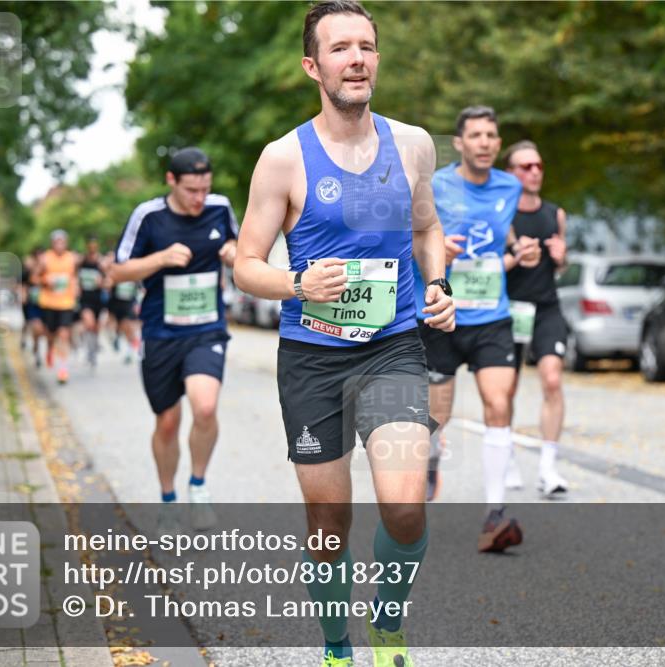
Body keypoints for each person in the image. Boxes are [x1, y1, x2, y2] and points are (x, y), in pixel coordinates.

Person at [233, 2, 454, 665]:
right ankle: (337, 647)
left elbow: (426, 229)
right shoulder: (282, 159)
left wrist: (439, 285)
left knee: (405, 504)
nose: (356, 58)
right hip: (312, 360)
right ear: (313, 65)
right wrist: (298, 284)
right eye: (340, 48)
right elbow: (245, 264)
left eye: (367, 46)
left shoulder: (412, 144)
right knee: (329, 524)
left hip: (392, 349)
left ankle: (387, 622)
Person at [413, 106, 539, 553]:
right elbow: (415, 233)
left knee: (498, 401)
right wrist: (436, 247)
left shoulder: (510, 186)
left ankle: (494, 512)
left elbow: (504, 233)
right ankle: (428, 465)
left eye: (492, 135)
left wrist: (521, 249)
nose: (485, 142)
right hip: (443, 315)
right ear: (461, 143)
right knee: (434, 419)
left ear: (498, 144)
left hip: (492, 319)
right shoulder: (438, 185)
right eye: (476, 135)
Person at [109, 147, 238, 531]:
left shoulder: (219, 208)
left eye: (205, 188)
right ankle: (168, 499)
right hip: (161, 332)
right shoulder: (148, 216)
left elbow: (238, 247)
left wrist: (233, 253)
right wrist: (159, 259)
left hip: (206, 329)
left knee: (205, 408)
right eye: (191, 190)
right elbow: (117, 272)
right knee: (167, 422)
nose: (200, 198)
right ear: (171, 181)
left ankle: (198, 487)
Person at [504, 140, 570, 498]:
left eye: (538, 166)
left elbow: (561, 263)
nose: (534, 172)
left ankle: (548, 466)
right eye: (525, 166)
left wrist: (562, 258)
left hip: (546, 307)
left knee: (552, 379)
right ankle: (508, 455)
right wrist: (516, 255)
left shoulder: (555, 214)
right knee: (506, 389)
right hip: (510, 309)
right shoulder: (501, 214)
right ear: (510, 173)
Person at [34, 230, 80, 383]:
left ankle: (62, 370)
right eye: (57, 242)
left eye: (62, 242)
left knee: (64, 334)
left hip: (66, 303)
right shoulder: (45, 259)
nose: (60, 245)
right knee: (50, 334)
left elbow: (74, 277)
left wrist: (75, 288)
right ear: (52, 243)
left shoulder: (71, 258)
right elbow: (34, 277)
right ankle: (50, 348)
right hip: (49, 302)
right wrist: (46, 281)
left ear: (66, 243)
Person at [101, 249, 141, 364]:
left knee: (127, 326)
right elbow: (105, 277)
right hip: (115, 302)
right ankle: (116, 338)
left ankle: (130, 351)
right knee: (115, 325)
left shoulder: (134, 268)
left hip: (128, 303)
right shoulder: (114, 266)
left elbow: (139, 286)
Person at [77, 235, 107, 368]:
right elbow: (74, 276)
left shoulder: (101, 263)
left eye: (94, 245)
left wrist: (102, 283)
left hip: (98, 299)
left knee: (95, 327)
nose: (92, 247)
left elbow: (109, 281)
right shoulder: (81, 261)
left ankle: (92, 350)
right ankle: (89, 350)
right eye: (90, 245)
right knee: (88, 323)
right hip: (85, 299)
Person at [20, 247, 47, 366]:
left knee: (44, 330)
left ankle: (42, 348)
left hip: (47, 304)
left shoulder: (48, 270)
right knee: (33, 326)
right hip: (33, 304)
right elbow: (23, 285)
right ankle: (35, 349)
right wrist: (24, 296)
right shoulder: (28, 271)